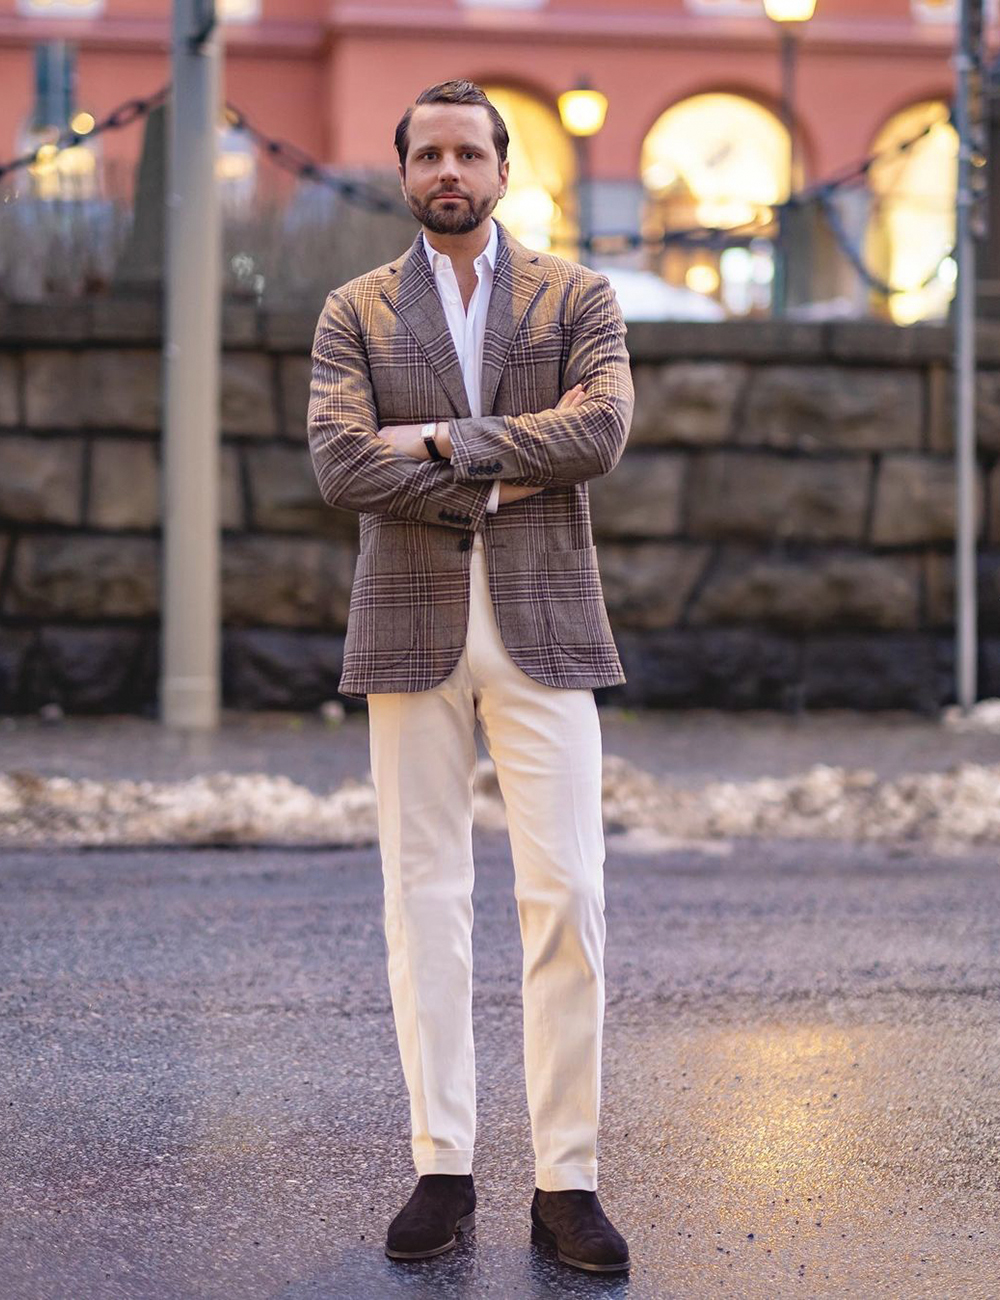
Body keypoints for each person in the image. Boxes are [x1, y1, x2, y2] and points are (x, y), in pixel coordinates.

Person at [307, 79, 634, 1274]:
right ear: (403, 172)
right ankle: (442, 1165)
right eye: (428, 153)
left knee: (569, 901)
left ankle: (569, 1179)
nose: (450, 169)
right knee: (425, 901)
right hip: (410, 623)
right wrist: (514, 462)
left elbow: (598, 433)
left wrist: (441, 447)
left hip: (544, 622)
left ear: (504, 168)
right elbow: (342, 464)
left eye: (469, 152)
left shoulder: (575, 295)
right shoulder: (353, 310)